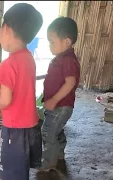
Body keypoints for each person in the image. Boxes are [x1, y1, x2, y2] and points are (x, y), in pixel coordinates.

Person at [0, 3, 43, 180]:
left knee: (12, 167)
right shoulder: (28, 58)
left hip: (15, 129)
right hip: (32, 126)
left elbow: (6, 99)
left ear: (7, 28)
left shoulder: (8, 65)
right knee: (21, 165)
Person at [39, 17, 80, 171]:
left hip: (61, 105)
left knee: (48, 131)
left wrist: (54, 100)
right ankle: (59, 154)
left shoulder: (68, 60)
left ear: (67, 42)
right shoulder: (61, 59)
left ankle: (48, 162)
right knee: (57, 130)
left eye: (52, 42)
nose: (50, 46)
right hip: (59, 105)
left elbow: (70, 82)